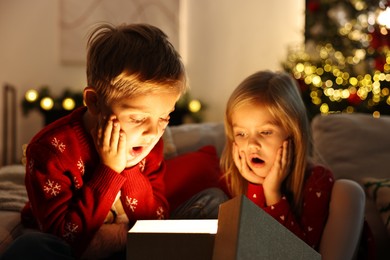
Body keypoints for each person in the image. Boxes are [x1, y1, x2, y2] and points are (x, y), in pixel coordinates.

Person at [1, 23, 227, 260]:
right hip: (78, 252)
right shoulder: (50, 150)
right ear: (95, 102)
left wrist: (129, 167)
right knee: (32, 247)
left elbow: (155, 221)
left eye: (164, 117)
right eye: (138, 118)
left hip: (134, 249)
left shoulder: (149, 142)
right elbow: (66, 237)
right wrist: (109, 171)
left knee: (213, 201)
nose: (152, 132)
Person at [220, 70, 335, 251]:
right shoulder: (232, 178)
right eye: (241, 134)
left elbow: (297, 253)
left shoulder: (318, 180)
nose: (251, 145)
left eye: (265, 132)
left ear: (293, 133)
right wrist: (256, 185)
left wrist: (271, 192)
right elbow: (251, 248)